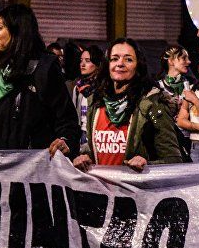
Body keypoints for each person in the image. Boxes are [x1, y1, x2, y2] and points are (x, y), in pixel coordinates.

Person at [0, 4, 80, 157]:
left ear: (17, 30)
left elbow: (66, 120)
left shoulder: (45, 68)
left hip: (34, 167)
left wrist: (65, 140)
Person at [72, 38, 183, 172]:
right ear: (107, 65)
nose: (120, 64)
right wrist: (85, 157)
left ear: (138, 66)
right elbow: (100, 149)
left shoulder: (153, 104)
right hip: (99, 185)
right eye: (114, 59)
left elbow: (173, 159)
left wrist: (147, 165)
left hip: (136, 185)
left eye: (128, 59)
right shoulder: (96, 103)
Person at [68, 45, 104, 137]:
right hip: (81, 133)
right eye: (81, 60)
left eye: (87, 61)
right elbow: (74, 114)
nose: (82, 64)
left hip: (97, 133)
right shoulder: (78, 86)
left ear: (97, 63)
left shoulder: (103, 87)